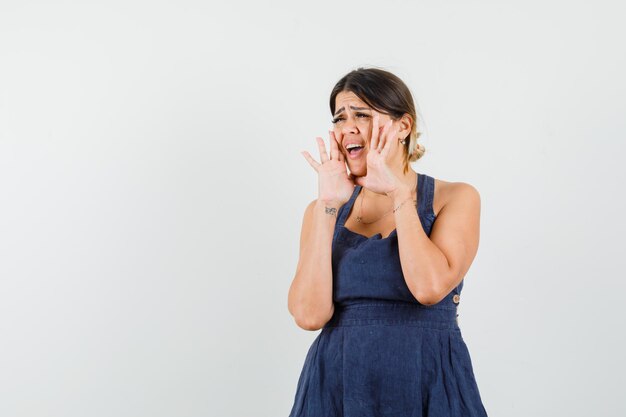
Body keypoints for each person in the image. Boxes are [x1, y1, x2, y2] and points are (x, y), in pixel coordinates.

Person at [287, 67, 489, 417]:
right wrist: (328, 206)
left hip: (427, 380)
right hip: (335, 387)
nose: (346, 127)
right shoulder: (321, 211)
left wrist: (398, 192)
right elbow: (308, 315)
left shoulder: (455, 197)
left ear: (404, 126)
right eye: (339, 118)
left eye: (361, 114)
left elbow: (428, 288)